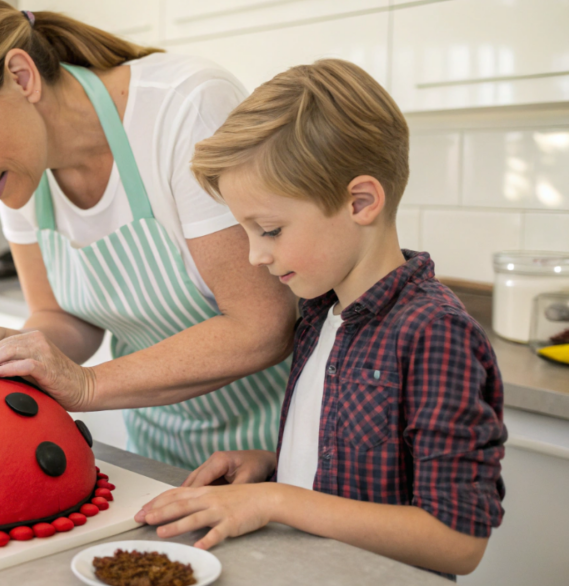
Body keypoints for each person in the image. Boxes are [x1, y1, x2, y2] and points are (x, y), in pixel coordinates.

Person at [0, 0, 296, 470]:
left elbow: (263, 326)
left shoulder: (184, 108)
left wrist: (86, 384)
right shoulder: (18, 171)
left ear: (21, 77)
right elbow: (61, 315)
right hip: (155, 449)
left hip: (278, 447)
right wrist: (16, 348)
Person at [135, 59, 505, 578]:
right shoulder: (318, 313)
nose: (254, 256)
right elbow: (357, 467)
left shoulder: (434, 333)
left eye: (269, 229)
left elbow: (456, 541)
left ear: (360, 202)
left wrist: (276, 500)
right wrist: (272, 465)